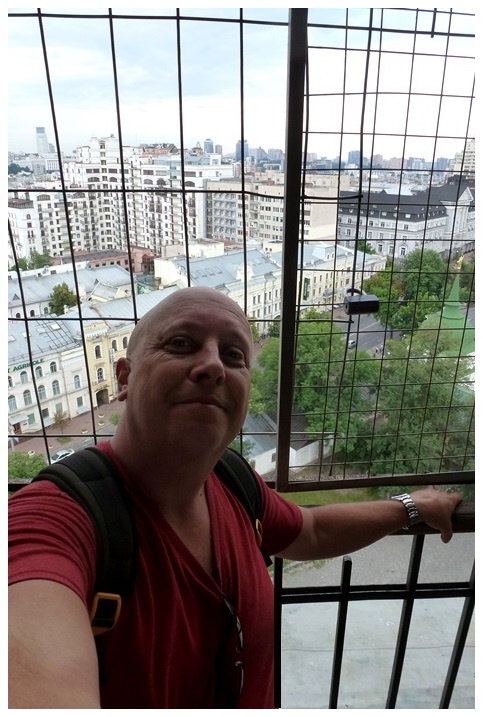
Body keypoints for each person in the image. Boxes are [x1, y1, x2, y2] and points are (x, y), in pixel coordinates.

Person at [8, 286, 462, 709]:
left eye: (233, 354)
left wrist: (410, 507)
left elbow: (311, 530)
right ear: (124, 378)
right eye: (181, 344)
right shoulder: (52, 522)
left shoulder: (231, 480)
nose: (213, 367)